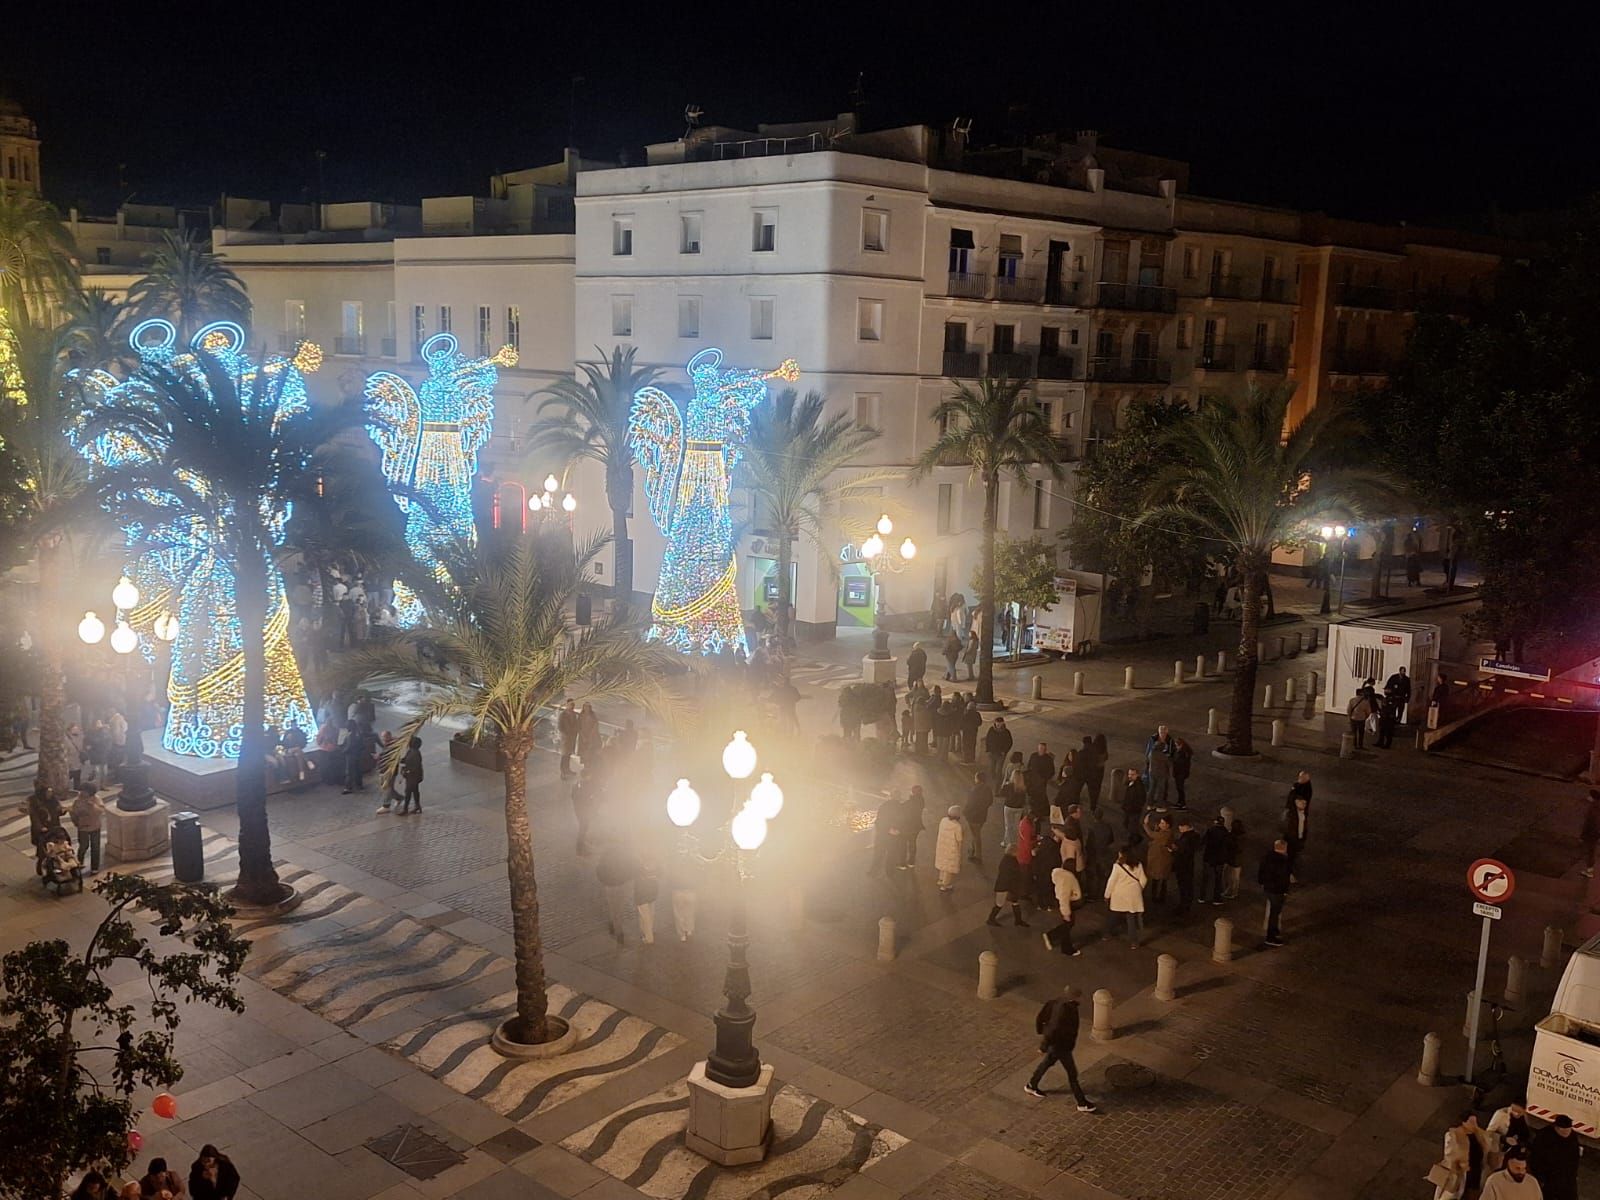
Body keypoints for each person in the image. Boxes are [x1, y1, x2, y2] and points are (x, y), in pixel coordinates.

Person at [1024, 985, 1097, 1109]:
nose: (1082, 999)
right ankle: (1082, 1103)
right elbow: (1054, 1029)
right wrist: (1044, 1045)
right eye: (1080, 997)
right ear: (1075, 997)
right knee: (1072, 1074)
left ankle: (1032, 1085)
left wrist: (1042, 1034)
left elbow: (1041, 1017)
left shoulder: (1057, 1002)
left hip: (1057, 1045)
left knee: (1046, 1063)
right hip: (1061, 1046)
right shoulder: (1065, 1010)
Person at [1435, 1112, 1490, 1200]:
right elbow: (1449, 1154)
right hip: (1458, 1173)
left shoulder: (1478, 1134)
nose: (1475, 1125)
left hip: (1475, 1172)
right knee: (1451, 1195)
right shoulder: (1453, 1135)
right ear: (1463, 1122)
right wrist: (1462, 1163)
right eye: (1471, 1122)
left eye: (1475, 1122)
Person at [596, 840, 640, 946]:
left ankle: (617, 930)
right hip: (623, 884)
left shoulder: (605, 857)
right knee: (619, 907)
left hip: (610, 886)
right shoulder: (626, 855)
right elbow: (634, 868)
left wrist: (605, 881)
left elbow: (599, 871)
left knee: (613, 908)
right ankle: (616, 927)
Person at [1529, 1114, 1580, 1200]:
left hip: (1567, 1180)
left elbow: (1575, 1158)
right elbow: (1536, 1159)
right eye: (1565, 1131)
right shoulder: (1544, 1136)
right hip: (1549, 1180)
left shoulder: (1573, 1137)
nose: (1567, 1133)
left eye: (1569, 1130)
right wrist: (1540, 1178)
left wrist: (1573, 1174)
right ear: (1557, 1128)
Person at [1104, 848, 1147, 947]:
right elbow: (1144, 879)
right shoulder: (1138, 864)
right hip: (1134, 896)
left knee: (1114, 915)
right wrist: (1138, 889)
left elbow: (1111, 882)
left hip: (1120, 895)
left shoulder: (1117, 866)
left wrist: (1107, 895)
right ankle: (1134, 942)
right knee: (1131, 918)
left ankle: (1107, 933)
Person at [1043, 855, 1082, 956]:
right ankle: (1065, 947)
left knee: (1068, 925)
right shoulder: (1068, 878)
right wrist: (1066, 913)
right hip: (1068, 903)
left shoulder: (1059, 874)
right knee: (1068, 925)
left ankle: (1053, 937)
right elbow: (1065, 895)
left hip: (1063, 902)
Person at [1258, 837, 1292, 946]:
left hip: (1268, 888)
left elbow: (1261, 870)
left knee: (1273, 911)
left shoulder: (1267, 857)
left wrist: (1261, 882)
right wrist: (1285, 891)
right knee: (1275, 913)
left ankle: (1274, 931)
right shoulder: (1283, 861)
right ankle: (1271, 937)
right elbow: (1284, 878)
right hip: (1277, 890)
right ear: (1284, 848)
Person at [986, 849, 1028, 927]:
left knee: (1015, 902)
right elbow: (1012, 875)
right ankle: (991, 919)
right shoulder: (1011, 862)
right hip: (1005, 887)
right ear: (1013, 852)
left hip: (1006, 886)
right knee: (1000, 904)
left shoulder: (1006, 860)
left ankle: (1018, 920)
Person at [1487, 1098, 1534, 1167]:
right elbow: (1488, 1133)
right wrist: (1504, 1139)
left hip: (1516, 1151)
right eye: (1514, 1110)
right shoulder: (1501, 1114)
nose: (1516, 1114)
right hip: (1500, 1149)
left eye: (1519, 1112)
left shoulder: (1526, 1118)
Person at [70, 785, 104, 873]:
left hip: (95, 826)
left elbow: (100, 811)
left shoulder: (96, 799)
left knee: (95, 847)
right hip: (83, 827)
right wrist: (76, 821)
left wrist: (92, 805)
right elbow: (73, 812)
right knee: (83, 846)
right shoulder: (78, 801)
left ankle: (94, 868)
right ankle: (79, 863)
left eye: (84, 791)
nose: (82, 792)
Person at [1142, 812, 1174, 904]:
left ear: (1168, 825)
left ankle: (1157, 897)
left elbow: (1152, 834)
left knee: (1158, 879)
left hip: (1160, 860)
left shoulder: (1165, 834)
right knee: (1160, 879)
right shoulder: (1165, 833)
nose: (1161, 825)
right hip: (1160, 859)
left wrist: (1146, 824)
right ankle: (1158, 897)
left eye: (1163, 823)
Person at [935, 806, 965, 892]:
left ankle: (941, 879)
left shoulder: (943, 820)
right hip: (952, 849)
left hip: (942, 846)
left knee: (942, 864)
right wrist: (959, 852)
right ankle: (945, 885)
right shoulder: (957, 826)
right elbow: (959, 840)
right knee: (949, 868)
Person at [1201, 815, 1230, 904]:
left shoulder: (1210, 830)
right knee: (1218, 879)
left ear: (1215, 822)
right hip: (1219, 859)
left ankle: (1202, 897)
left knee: (1205, 878)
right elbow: (1227, 846)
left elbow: (1203, 841)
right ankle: (1216, 898)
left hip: (1209, 857)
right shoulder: (1225, 833)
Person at [1145, 724, 1175, 807]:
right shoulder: (1163, 755)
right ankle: (1160, 804)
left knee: (1152, 788)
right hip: (1162, 772)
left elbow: (1148, 755)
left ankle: (1150, 804)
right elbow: (1170, 762)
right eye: (1161, 732)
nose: (1162, 734)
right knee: (1161, 789)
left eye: (1164, 732)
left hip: (1152, 771)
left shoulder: (1152, 753)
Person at [964, 773, 991, 865]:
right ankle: (972, 851)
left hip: (973, 816)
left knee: (976, 836)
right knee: (976, 833)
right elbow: (990, 801)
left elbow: (970, 804)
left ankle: (978, 856)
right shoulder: (987, 789)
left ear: (978, 779)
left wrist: (965, 812)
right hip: (982, 816)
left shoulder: (974, 790)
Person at [634, 851, 659, 944]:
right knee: (650, 915)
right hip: (651, 895)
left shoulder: (638, 869)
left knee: (645, 917)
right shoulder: (655, 868)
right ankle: (647, 932)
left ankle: (648, 938)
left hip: (642, 896)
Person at [1282, 793, 1309, 881]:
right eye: (1302, 802)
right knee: (1290, 858)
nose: (1305, 803)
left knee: (1293, 857)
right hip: (1291, 840)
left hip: (1298, 839)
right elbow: (1286, 828)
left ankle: (1289, 873)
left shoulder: (1303, 813)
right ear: (1296, 802)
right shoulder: (1291, 815)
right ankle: (1287, 874)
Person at [397, 736, 424, 814]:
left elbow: (415, 767)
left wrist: (406, 771)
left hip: (413, 777)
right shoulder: (411, 751)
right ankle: (417, 806)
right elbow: (405, 759)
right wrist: (399, 760)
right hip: (412, 776)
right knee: (415, 791)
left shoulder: (415, 753)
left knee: (408, 792)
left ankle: (405, 809)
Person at [904, 785, 928, 867]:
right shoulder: (921, 800)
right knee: (912, 842)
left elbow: (907, 807)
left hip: (910, 825)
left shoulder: (913, 801)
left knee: (909, 842)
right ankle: (911, 860)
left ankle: (909, 860)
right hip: (917, 825)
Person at [1120, 768, 1147, 842]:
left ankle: (1135, 839)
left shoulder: (1139, 787)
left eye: (1132, 774)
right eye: (1129, 774)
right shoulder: (1130, 782)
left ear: (1137, 775)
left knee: (1132, 826)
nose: (1130, 776)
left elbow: (1141, 800)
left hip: (1133, 811)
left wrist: (1133, 808)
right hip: (1128, 809)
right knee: (1127, 824)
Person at [557, 700, 579, 779]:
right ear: (567, 705)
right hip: (566, 739)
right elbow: (560, 727)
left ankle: (568, 770)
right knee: (564, 756)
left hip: (572, 738)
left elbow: (576, 725)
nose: (572, 706)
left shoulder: (574, 714)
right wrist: (565, 734)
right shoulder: (563, 715)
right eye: (570, 704)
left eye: (573, 704)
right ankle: (563, 772)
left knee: (568, 755)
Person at [1581, 790, 1600, 879]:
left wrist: (1582, 835)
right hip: (1596, 833)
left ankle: (1589, 871)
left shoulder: (1593, 808)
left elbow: (1589, 822)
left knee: (1590, 852)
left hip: (1592, 833)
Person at [577, 702, 601, 768]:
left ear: (590, 707)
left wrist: (590, 735)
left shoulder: (593, 715)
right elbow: (578, 727)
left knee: (590, 753)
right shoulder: (581, 715)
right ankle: (585, 768)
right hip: (583, 738)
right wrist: (583, 736)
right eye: (585, 706)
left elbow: (596, 725)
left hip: (592, 738)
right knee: (584, 754)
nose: (586, 708)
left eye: (588, 706)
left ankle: (589, 769)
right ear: (583, 707)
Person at [1171, 737, 1193, 809]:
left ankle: (1182, 804)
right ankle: (1179, 802)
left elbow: (1180, 763)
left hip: (1180, 774)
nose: (1176, 747)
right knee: (1179, 788)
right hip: (1180, 773)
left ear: (1181, 745)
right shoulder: (1183, 752)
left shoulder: (1183, 753)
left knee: (1180, 788)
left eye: (1177, 745)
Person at [958, 697, 982, 764]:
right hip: (974, 732)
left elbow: (961, 723)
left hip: (966, 732)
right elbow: (980, 722)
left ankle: (966, 759)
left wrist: (961, 728)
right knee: (972, 745)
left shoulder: (966, 714)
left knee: (965, 745)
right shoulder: (977, 714)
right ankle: (972, 759)